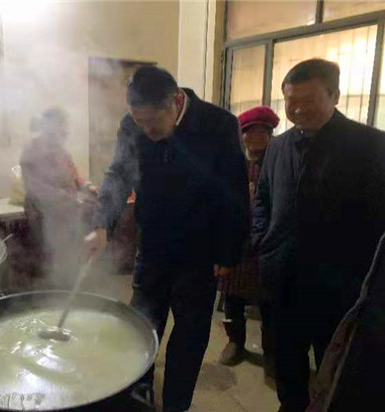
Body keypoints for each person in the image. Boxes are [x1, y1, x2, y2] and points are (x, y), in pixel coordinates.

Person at [84, 66, 249, 412]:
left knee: (189, 335)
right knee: (140, 327)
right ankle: (138, 395)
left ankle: (176, 404)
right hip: (153, 246)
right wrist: (101, 224)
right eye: (139, 122)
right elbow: (118, 174)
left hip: (199, 253)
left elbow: (234, 192)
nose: (146, 130)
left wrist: (228, 253)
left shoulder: (219, 124)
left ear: (175, 101)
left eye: (152, 122)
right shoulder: (132, 125)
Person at [252, 58, 385, 412]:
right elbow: (263, 198)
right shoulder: (278, 146)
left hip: (339, 285)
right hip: (281, 277)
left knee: (336, 364)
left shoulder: (372, 146)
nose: (297, 109)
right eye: (291, 100)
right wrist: (261, 239)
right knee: (285, 358)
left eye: (308, 100)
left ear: (335, 96)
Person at [218, 106, 279, 379]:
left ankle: (272, 351)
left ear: (270, 134)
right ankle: (236, 342)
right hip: (238, 243)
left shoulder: (277, 164)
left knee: (270, 302)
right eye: (248, 133)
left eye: (261, 132)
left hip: (268, 244)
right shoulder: (234, 165)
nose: (254, 138)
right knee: (232, 297)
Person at [21, 107, 97, 288]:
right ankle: (53, 294)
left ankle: (70, 289)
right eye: (61, 125)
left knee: (69, 256)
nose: (65, 131)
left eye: (65, 126)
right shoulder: (32, 152)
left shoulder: (61, 150)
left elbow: (73, 177)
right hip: (44, 215)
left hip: (67, 214)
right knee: (52, 259)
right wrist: (70, 199)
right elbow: (37, 189)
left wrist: (87, 186)